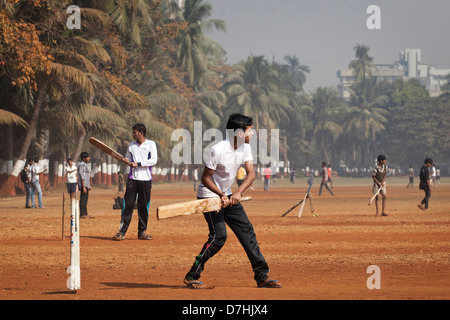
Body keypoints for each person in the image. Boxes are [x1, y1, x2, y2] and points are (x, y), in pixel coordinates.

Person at [183, 113, 282, 289]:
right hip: (209, 195)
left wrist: (237, 193)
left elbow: (251, 173)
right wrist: (221, 194)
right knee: (218, 236)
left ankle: (261, 276)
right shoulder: (218, 150)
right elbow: (205, 178)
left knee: (247, 231)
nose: (252, 134)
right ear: (239, 133)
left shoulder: (245, 147)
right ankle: (192, 274)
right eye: (250, 131)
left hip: (228, 194)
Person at [113, 123, 158, 241]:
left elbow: (153, 160)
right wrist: (126, 160)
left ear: (141, 133)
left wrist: (138, 164)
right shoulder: (131, 145)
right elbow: (128, 158)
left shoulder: (151, 144)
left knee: (143, 206)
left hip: (146, 180)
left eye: (135, 132)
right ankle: (121, 232)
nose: (133, 134)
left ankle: (142, 232)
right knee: (127, 205)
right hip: (132, 179)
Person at [78, 152, 93, 218]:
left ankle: (85, 213)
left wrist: (88, 185)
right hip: (83, 185)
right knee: (83, 199)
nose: (89, 158)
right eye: (87, 157)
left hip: (86, 185)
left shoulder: (85, 165)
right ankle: (82, 214)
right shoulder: (82, 165)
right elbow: (82, 176)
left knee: (85, 199)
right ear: (83, 158)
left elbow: (87, 176)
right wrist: (83, 186)